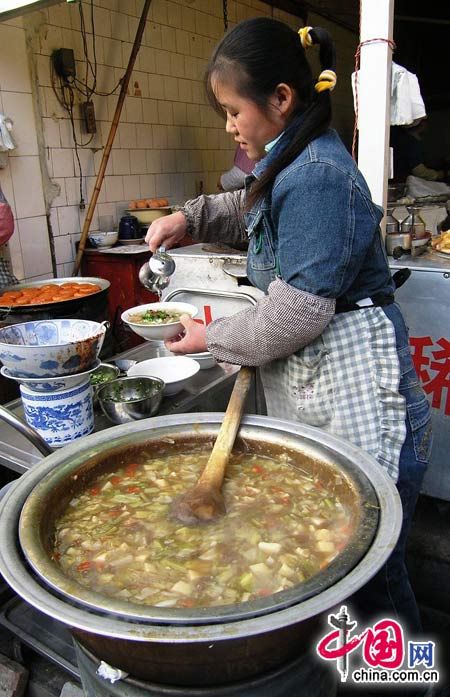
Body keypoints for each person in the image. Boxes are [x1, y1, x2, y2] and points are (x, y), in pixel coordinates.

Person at [145, 15, 432, 663]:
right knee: (345, 572)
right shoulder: (291, 163)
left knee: (375, 579)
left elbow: (297, 315)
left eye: (232, 109)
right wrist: (185, 218)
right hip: (329, 406)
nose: (228, 125)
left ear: (281, 98)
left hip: (366, 412)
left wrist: (211, 333)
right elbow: (245, 206)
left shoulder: (320, 177)